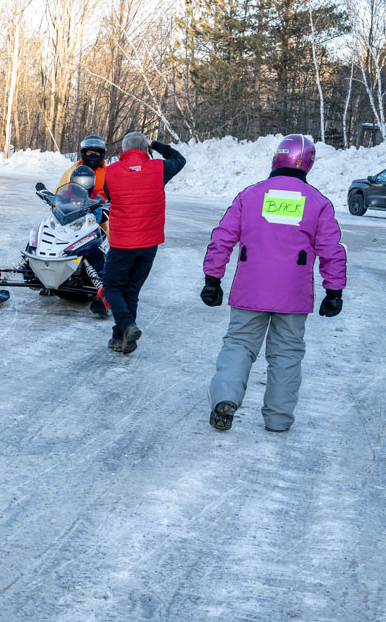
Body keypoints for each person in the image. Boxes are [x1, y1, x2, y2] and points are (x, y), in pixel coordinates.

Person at [201, 134, 347, 433]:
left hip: (250, 290)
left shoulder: (250, 195)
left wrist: (212, 278)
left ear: (276, 158)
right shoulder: (318, 203)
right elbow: (332, 250)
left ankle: (225, 398)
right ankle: (278, 420)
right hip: (293, 295)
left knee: (239, 344)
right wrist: (334, 290)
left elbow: (223, 238)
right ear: (308, 163)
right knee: (287, 355)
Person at [102, 132, 186, 353]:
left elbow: (110, 196)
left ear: (124, 149)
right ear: (145, 149)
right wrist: (156, 145)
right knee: (131, 290)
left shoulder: (110, 173)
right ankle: (122, 338)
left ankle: (128, 326)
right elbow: (180, 159)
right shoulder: (159, 169)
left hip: (122, 243)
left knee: (112, 287)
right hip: (149, 244)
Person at [68, 165, 110, 318]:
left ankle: (101, 279)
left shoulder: (95, 197)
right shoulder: (67, 194)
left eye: (86, 181)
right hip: (67, 229)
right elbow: (57, 206)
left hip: (88, 229)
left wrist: (92, 216)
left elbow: (98, 215)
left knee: (97, 247)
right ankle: (36, 272)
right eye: (79, 180)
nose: (82, 184)